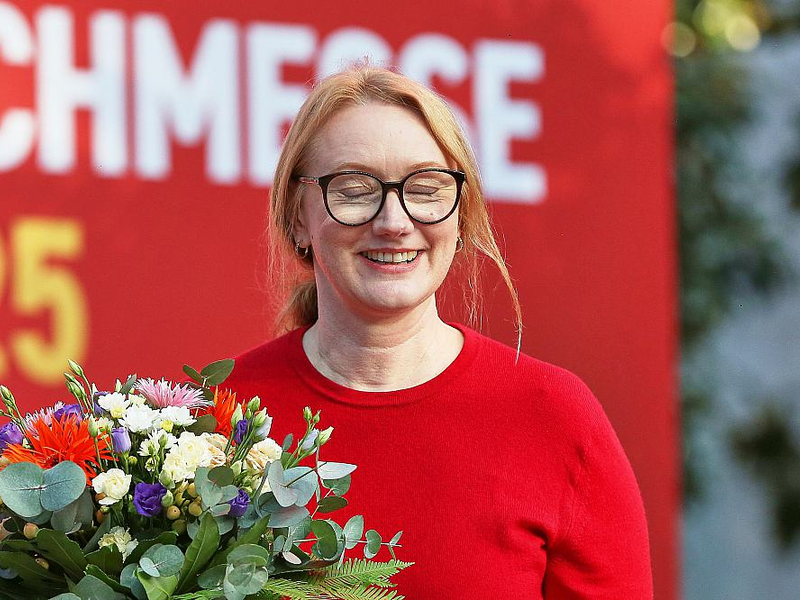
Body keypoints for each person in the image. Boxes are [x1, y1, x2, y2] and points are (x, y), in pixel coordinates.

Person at [224, 64, 653, 598]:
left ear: (461, 213)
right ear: (296, 216)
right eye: (354, 189)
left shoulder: (556, 419)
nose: (393, 221)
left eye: (425, 188)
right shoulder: (218, 420)